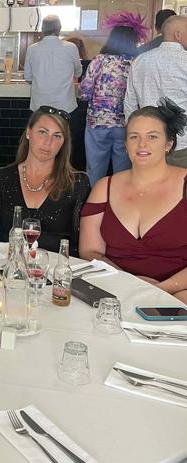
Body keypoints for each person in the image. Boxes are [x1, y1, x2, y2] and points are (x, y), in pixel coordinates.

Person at [79, 99, 187, 304]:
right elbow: (90, 250)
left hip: (178, 292)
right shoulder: (105, 187)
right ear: (126, 144)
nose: (142, 145)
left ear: (169, 144)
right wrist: (127, 282)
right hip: (115, 291)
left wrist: (160, 288)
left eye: (152, 137)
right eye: (134, 137)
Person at [0, 106, 90, 256]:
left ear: (64, 142)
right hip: (7, 270)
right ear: (28, 133)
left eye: (57, 136)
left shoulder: (77, 183)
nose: (48, 142)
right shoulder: (2, 178)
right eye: (43, 132)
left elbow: (80, 246)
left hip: (54, 272)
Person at [80, 22, 139, 186]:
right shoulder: (136, 62)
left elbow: (84, 92)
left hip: (97, 122)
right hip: (126, 124)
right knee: (123, 172)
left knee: (95, 170)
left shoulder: (99, 60)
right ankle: (119, 207)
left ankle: (93, 205)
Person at [124, 15, 187, 168]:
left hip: (147, 142)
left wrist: (133, 136)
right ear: (178, 35)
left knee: (148, 188)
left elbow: (130, 103)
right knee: (181, 188)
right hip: (183, 142)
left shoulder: (140, 60)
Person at [24, 15, 83, 113]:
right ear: (59, 28)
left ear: (42, 29)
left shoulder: (32, 49)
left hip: (40, 104)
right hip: (65, 104)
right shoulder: (71, 47)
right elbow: (78, 73)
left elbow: (28, 78)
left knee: (41, 128)